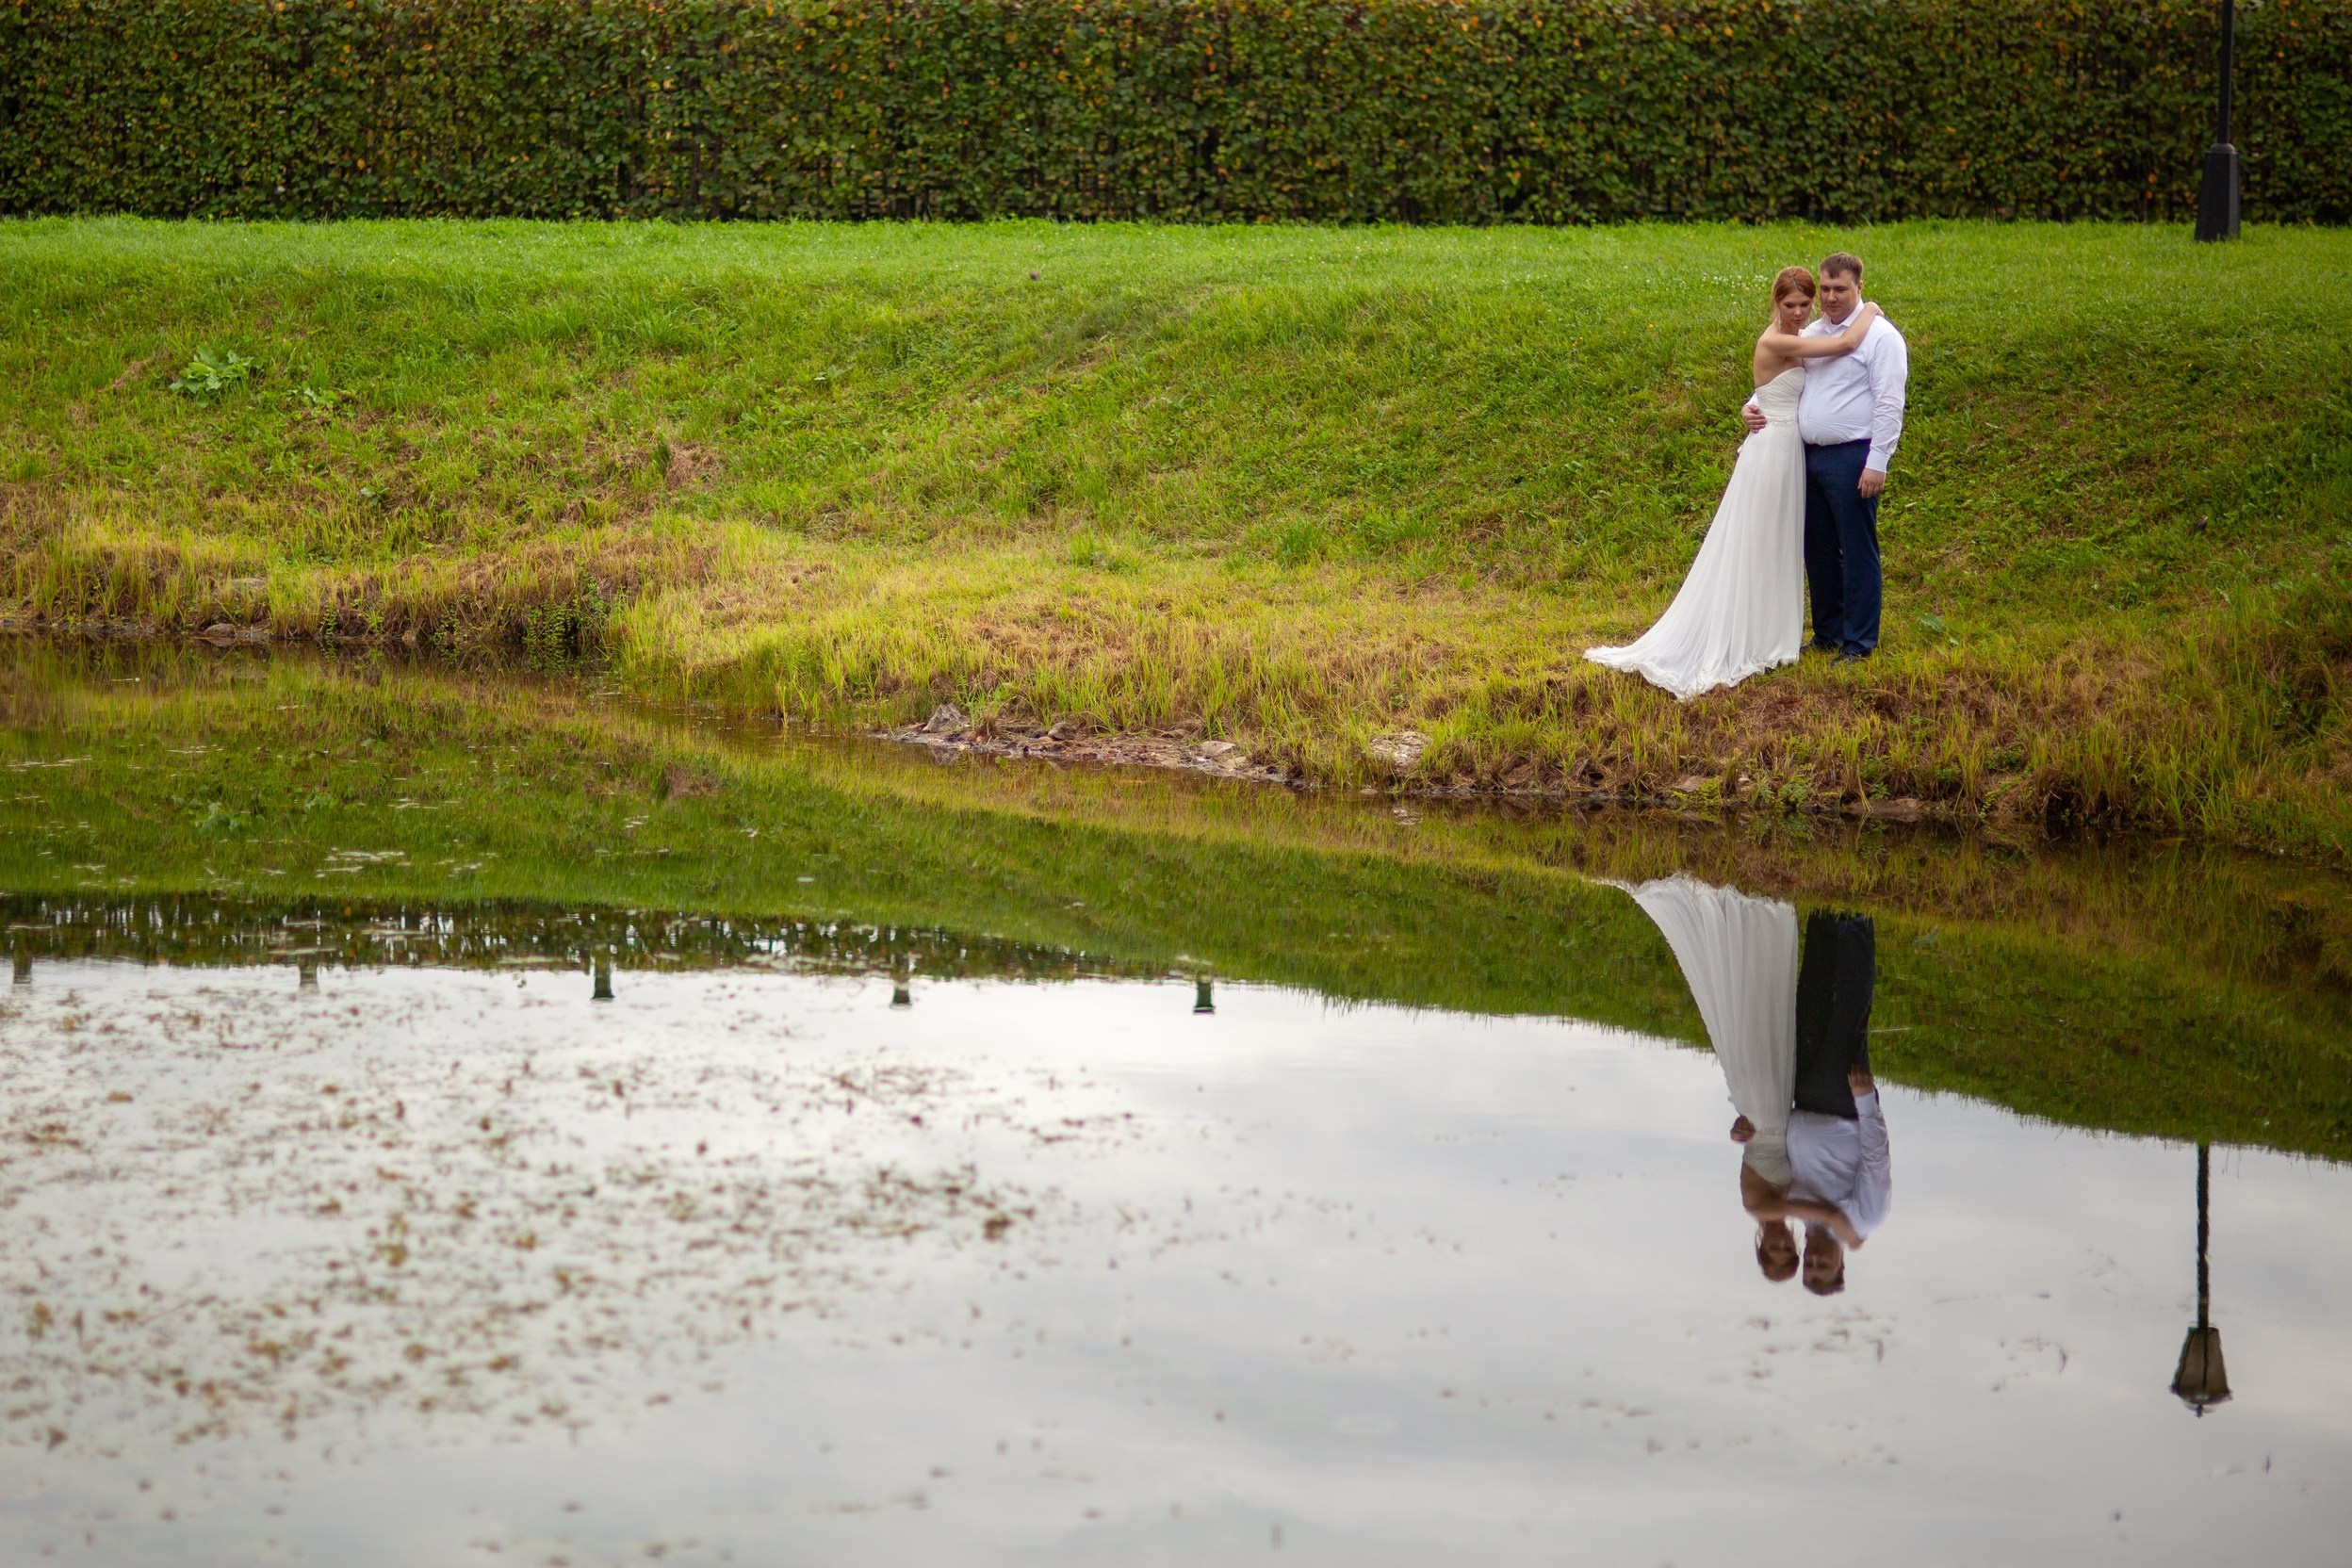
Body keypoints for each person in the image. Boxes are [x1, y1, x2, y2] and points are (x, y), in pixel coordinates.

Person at [1586, 267, 1882, 698]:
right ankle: (1746, 635)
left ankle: (1772, 632)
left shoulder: (1800, 337)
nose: (1799, 312)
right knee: (1758, 539)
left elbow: (1780, 388)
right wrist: (1869, 308)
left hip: (1791, 451)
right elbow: (1843, 344)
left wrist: (1752, 403)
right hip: (1773, 452)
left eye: (1805, 304)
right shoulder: (1776, 338)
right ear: (1774, 304)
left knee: (1782, 541)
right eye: (1789, 305)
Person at [1740, 253, 1910, 664]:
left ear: (1859, 288)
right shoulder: (1812, 330)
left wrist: (1878, 461)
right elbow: (1782, 378)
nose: (1831, 297)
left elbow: (1890, 403)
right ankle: (1827, 632)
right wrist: (1751, 404)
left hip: (1853, 455)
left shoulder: (1881, 337)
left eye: (1841, 290)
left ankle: (1859, 643)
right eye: (1827, 289)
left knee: (1856, 549)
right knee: (1817, 549)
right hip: (1805, 456)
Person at [1781, 911, 1890, 1295]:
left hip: (1800, 1099)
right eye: (1822, 1267)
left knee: (1809, 1007)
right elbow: (1876, 1159)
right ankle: (1858, 922)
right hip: (1843, 1103)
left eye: (1808, 1266)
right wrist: (1866, 1104)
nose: (1813, 1259)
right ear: (1841, 1264)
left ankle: (1825, 917)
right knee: (1847, 1013)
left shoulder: (1800, 1214)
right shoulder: (1864, 1219)